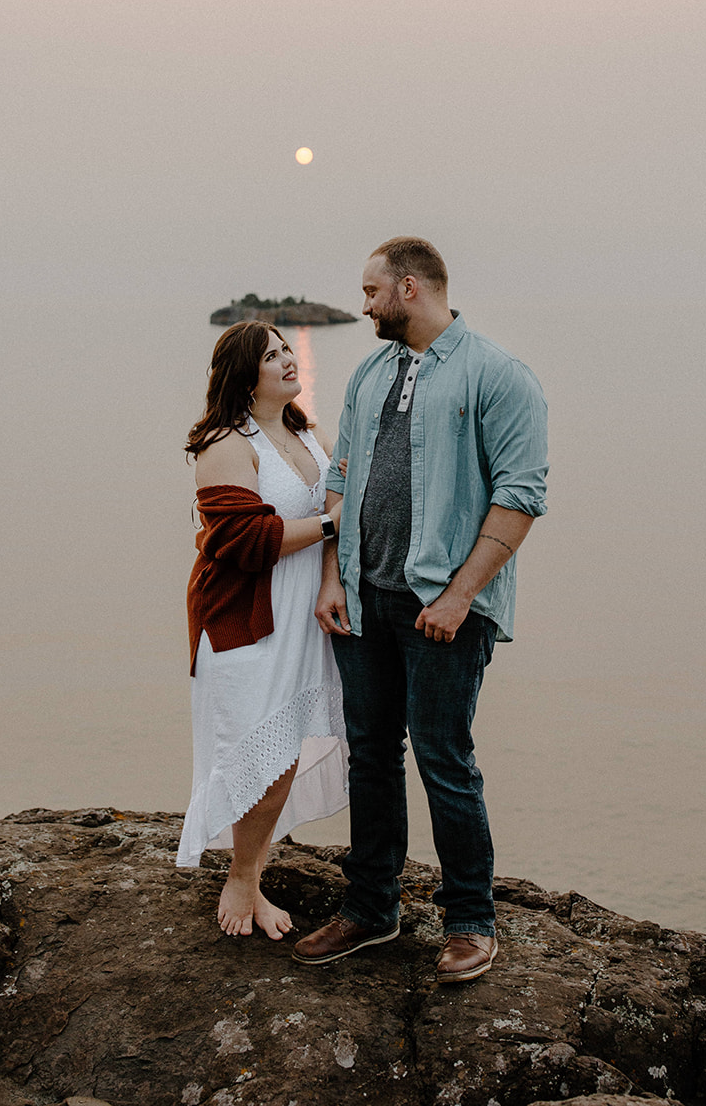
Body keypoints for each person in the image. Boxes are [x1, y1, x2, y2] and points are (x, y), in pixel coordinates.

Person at [292, 237, 548, 982]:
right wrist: (333, 578)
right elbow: (341, 476)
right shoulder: (371, 372)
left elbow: (520, 495)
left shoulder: (498, 376)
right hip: (364, 601)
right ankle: (372, 909)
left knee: (444, 760)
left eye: (370, 291)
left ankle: (470, 921)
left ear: (408, 288)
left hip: (444, 609)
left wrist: (461, 594)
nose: (362, 304)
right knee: (370, 756)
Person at [177, 321, 349, 939]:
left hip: (304, 616)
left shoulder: (309, 433)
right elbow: (247, 541)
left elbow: (342, 501)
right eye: (270, 355)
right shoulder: (226, 441)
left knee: (284, 749)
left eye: (285, 350)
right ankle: (242, 880)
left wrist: (332, 576)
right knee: (256, 753)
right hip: (246, 621)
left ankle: (250, 875)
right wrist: (333, 526)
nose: (285, 360)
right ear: (244, 375)